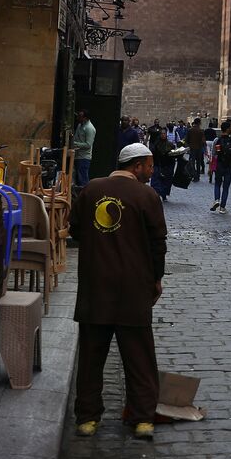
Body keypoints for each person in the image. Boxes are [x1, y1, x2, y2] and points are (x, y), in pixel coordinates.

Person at [71, 143, 168, 440]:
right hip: (133, 289)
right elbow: (157, 245)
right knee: (139, 358)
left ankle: (87, 418)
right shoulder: (147, 196)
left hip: (95, 285)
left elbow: (75, 229)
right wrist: (156, 280)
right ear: (136, 166)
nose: (151, 172)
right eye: (149, 166)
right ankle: (142, 419)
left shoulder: (90, 190)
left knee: (91, 356)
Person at [210, 121, 231, 214]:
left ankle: (217, 199)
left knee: (217, 184)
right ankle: (222, 207)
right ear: (227, 129)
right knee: (226, 187)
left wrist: (211, 166)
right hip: (229, 166)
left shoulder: (216, 140)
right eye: (230, 128)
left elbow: (213, 154)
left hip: (219, 165)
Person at [149, 129, 177, 199]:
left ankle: (164, 194)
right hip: (158, 164)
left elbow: (174, 153)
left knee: (166, 180)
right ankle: (156, 194)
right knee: (156, 180)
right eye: (161, 134)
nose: (163, 135)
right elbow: (153, 153)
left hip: (167, 165)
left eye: (164, 133)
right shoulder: (156, 144)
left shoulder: (170, 144)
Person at [72, 109, 96, 188]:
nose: (78, 118)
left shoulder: (89, 128)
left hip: (84, 157)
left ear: (85, 118)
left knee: (83, 179)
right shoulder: (80, 125)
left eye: (80, 117)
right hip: (76, 155)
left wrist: (75, 144)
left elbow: (88, 144)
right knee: (77, 178)